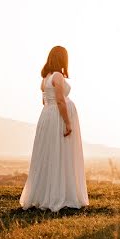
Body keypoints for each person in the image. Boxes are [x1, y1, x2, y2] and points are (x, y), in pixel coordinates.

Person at [20, 45, 89, 211]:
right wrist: (67, 122)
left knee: (50, 154)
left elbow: (45, 101)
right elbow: (60, 100)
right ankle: (62, 195)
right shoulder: (57, 76)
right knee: (62, 154)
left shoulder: (45, 79)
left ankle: (45, 194)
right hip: (58, 116)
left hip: (47, 116)